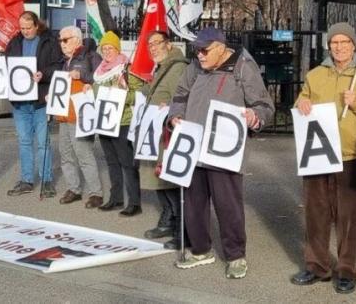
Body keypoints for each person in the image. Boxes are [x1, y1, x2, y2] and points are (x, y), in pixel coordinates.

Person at [168, 27, 274, 279]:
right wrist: (174, 116)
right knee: (193, 202)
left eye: (204, 50)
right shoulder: (194, 67)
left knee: (228, 204)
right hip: (193, 144)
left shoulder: (243, 67)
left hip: (224, 149)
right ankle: (201, 249)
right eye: (197, 50)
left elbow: (264, 105)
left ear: (220, 47)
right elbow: (180, 95)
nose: (200, 55)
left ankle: (236, 255)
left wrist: (255, 117)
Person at [290, 22, 356, 294]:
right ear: (328, 46)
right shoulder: (315, 75)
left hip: (350, 154)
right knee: (315, 213)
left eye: (345, 42)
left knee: (347, 216)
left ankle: (346, 269)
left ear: (354, 45)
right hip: (317, 154)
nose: (340, 47)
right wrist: (302, 103)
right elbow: (300, 102)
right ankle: (316, 266)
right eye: (335, 43)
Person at [139, 31, 189, 249]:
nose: (153, 48)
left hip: (168, 131)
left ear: (168, 45)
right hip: (155, 129)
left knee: (168, 180)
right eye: (150, 45)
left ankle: (181, 229)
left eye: (157, 43)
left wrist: (170, 109)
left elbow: (181, 97)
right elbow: (152, 91)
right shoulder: (162, 67)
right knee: (158, 178)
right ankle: (169, 219)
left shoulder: (177, 67)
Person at [5, 11, 63, 198]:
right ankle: (26, 180)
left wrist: (43, 74)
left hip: (40, 100)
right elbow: (5, 68)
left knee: (43, 142)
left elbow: (58, 66)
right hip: (20, 102)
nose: (25, 31)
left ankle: (46, 181)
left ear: (37, 25)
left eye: (28, 28)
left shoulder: (49, 41)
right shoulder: (14, 43)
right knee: (24, 142)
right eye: (22, 28)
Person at [93, 30, 145, 216]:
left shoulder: (127, 68)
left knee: (127, 163)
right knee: (111, 162)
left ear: (117, 49)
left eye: (110, 48)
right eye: (104, 48)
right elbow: (95, 93)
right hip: (104, 122)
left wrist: (123, 92)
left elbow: (139, 94)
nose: (107, 51)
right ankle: (115, 198)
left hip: (123, 122)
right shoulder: (99, 71)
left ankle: (134, 202)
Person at [56, 25, 103, 208]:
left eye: (65, 40)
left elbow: (100, 77)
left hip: (81, 116)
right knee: (66, 155)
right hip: (64, 115)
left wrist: (81, 74)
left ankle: (96, 193)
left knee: (84, 155)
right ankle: (73, 189)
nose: (62, 44)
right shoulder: (65, 61)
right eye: (60, 40)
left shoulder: (90, 56)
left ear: (77, 39)